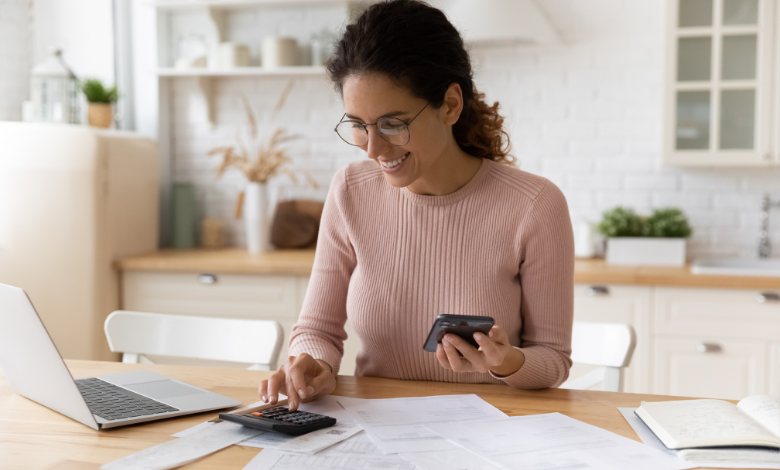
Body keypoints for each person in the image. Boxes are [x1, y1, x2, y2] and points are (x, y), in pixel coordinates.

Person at [260, 0, 574, 410]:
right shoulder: (351, 190)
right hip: (375, 426)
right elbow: (317, 329)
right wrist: (313, 363)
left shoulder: (534, 205)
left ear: (451, 105)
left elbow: (553, 359)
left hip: (491, 427)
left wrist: (507, 362)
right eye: (358, 125)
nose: (373, 149)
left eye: (393, 124)